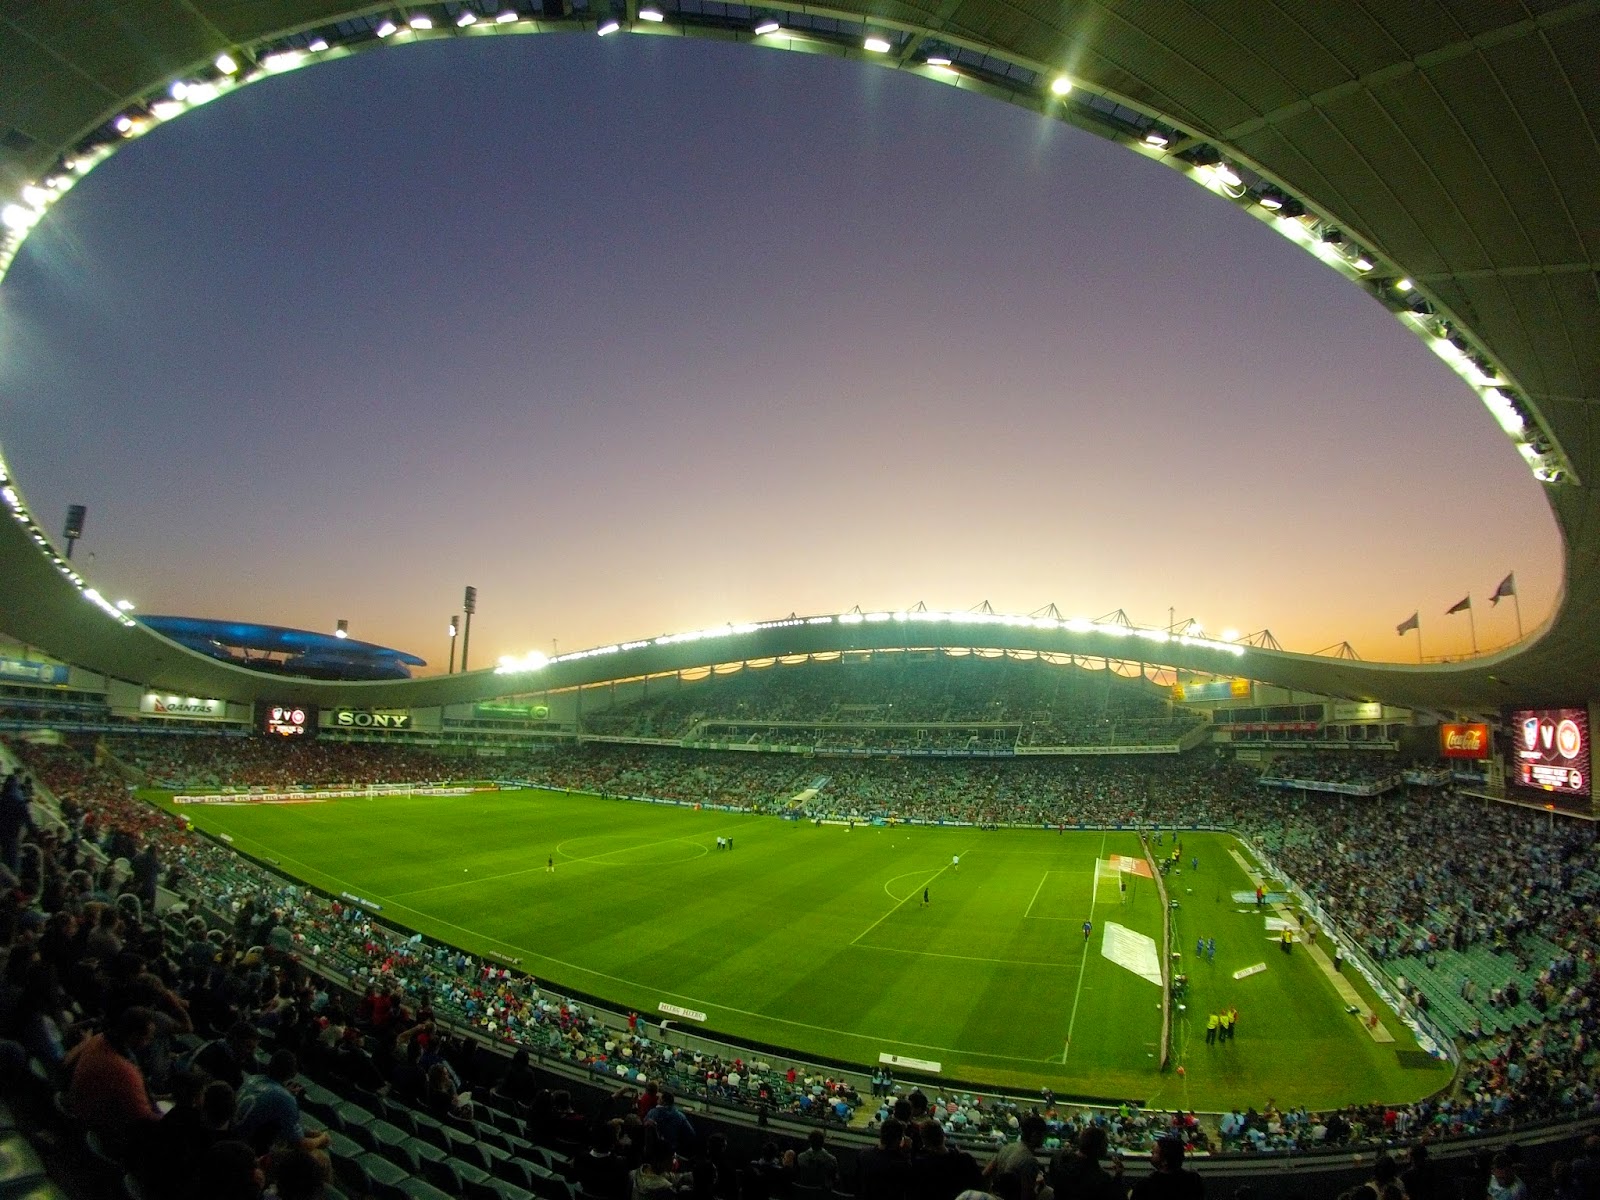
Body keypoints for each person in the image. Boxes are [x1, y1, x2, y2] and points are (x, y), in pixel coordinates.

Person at [234, 1049, 330, 1156]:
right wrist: (322, 1139)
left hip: (232, 1137)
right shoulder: (285, 1098)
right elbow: (301, 1145)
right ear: (293, 1074)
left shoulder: (253, 1079)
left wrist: (310, 1132)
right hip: (246, 1151)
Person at [1130, 1136, 1204, 1200]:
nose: (1151, 1153)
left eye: (1154, 1153)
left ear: (1165, 1161)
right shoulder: (1194, 1180)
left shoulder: (1145, 1186)